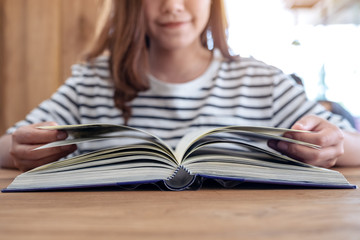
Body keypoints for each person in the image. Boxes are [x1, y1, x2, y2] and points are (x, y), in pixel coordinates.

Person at [0, 0, 360, 172]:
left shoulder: (261, 80)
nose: (172, 6)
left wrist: (332, 143)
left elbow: (351, 145)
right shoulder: (91, 81)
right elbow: (8, 145)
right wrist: (20, 148)